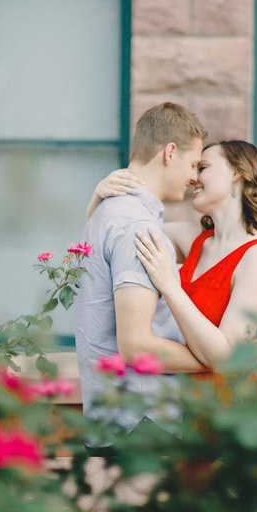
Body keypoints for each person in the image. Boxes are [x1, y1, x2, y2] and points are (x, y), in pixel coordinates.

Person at [74, 102, 208, 440]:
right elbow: (135, 346)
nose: (195, 178)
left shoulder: (106, 213)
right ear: (169, 152)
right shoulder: (137, 225)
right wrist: (213, 358)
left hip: (112, 418)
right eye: (193, 164)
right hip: (142, 422)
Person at [89, 139, 257, 372]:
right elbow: (118, 235)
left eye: (202, 168)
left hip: (226, 403)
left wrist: (170, 287)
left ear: (236, 172)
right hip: (178, 400)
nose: (193, 178)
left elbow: (230, 355)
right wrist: (99, 197)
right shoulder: (193, 240)